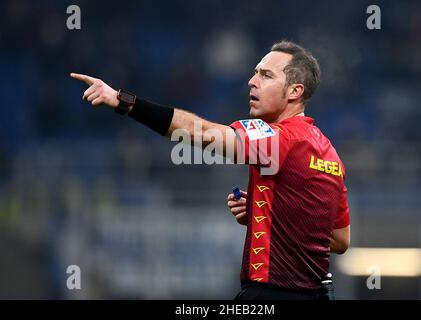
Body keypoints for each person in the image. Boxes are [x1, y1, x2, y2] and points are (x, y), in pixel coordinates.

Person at [70, 40, 350, 300]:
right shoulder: (330, 155)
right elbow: (339, 240)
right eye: (255, 73)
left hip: (270, 294)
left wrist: (123, 101)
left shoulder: (278, 138)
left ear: (294, 91)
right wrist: (266, 212)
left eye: (266, 76)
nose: (251, 82)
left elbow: (199, 132)